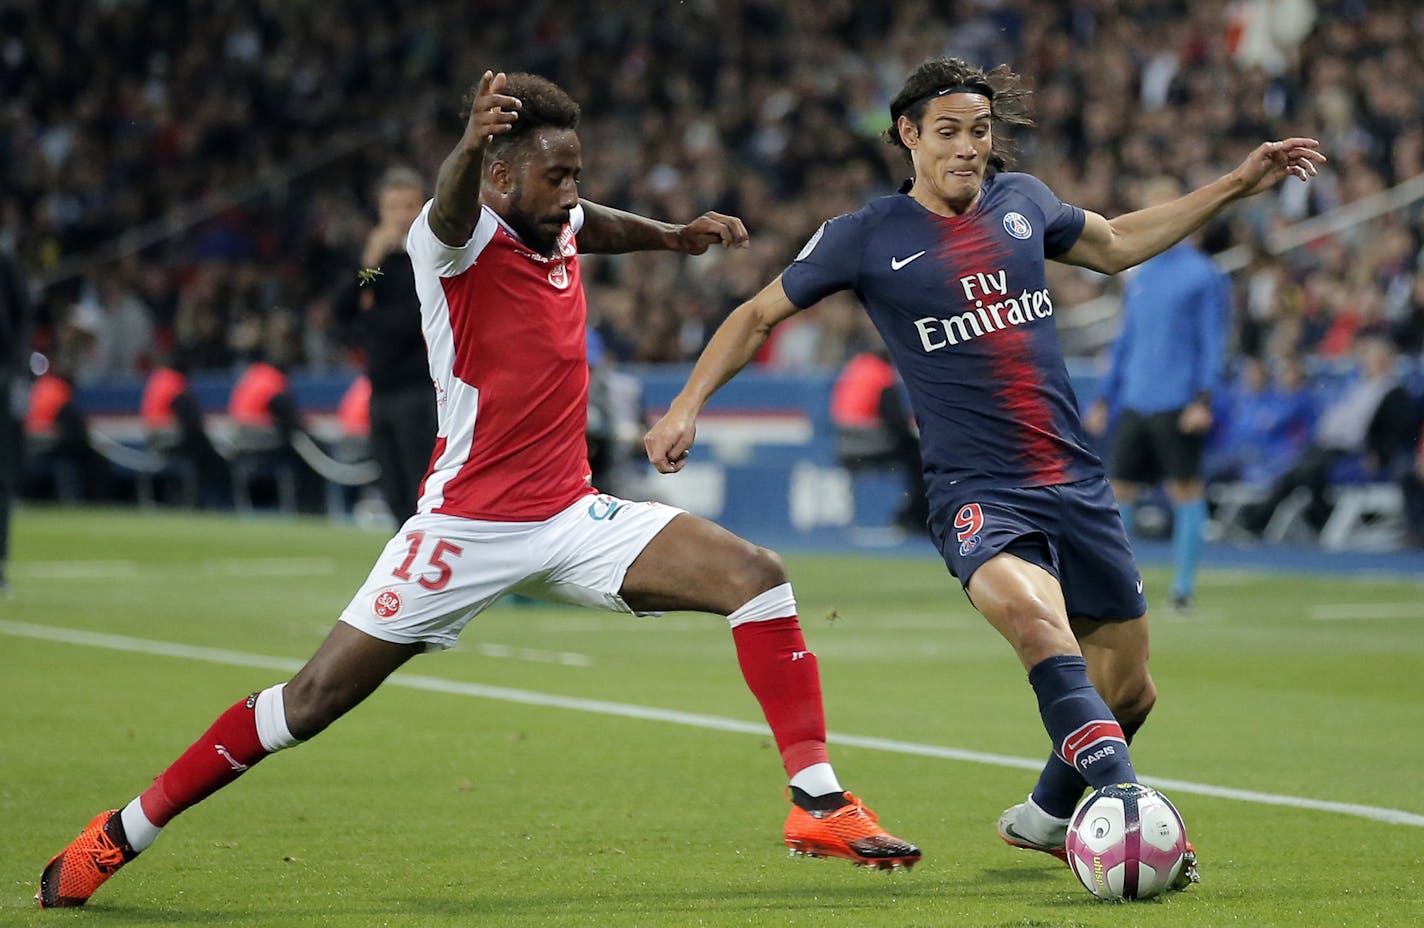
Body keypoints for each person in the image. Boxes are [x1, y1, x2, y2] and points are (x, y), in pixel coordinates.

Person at [36, 70, 917, 910]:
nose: (571, 190)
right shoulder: (451, 236)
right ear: (499, 174)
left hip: (571, 513)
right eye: (555, 174)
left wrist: (671, 234)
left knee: (756, 576)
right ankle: (120, 832)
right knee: (308, 703)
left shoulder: (558, 219)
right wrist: (463, 149)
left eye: (577, 171)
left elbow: (592, 223)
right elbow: (450, 204)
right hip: (463, 529)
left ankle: (818, 800)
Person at [646, 55, 1323, 875]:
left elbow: (1112, 244)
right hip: (977, 492)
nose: (967, 148)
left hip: (1074, 482)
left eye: (979, 131)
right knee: (1041, 627)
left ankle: (1045, 813)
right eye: (948, 133)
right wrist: (687, 404)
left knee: (1130, 690)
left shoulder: (1023, 202)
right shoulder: (867, 235)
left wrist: (1234, 186)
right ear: (908, 136)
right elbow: (756, 315)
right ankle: (1129, 808)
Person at [1083, 176, 1230, 612]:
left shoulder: (1203, 274)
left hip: (1177, 401)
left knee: (1185, 490)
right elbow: (1127, 340)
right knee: (1121, 491)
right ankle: (1122, 585)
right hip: (1135, 398)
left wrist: (1203, 399)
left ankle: (1183, 588)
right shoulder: (1141, 274)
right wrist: (1106, 397)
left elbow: (1212, 341)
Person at [336, 166, 439, 524]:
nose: (401, 216)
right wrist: (370, 264)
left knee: (419, 489)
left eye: (409, 206)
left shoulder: (428, 260)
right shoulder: (378, 267)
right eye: (393, 207)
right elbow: (344, 307)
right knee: (392, 489)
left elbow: (412, 322)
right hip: (380, 390)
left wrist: (371, 318)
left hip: (418, 391)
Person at [1237, 331, 1416, 537]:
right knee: (1299, 470)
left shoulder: (1394, 392)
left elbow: (1392, 430)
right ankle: (1291, 519)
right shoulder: (1360, 386)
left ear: (1384, 360)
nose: (1364, 360)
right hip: (1332, 446)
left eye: (1370, 356)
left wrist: (1379, 453)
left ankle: (1267, 519)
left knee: (1307, 472)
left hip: (1357, 452)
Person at [829, 334, 927, 532]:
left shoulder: (857, 366)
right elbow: (895, 422)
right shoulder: (881, 374)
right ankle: (916, 517)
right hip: (870, 444)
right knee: (922, 459)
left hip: (844, 444)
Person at [0, 249, 33, 593]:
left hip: (2, 382)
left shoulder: (6, 262)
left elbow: (22, 318)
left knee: (1, 479)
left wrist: (18, 374)